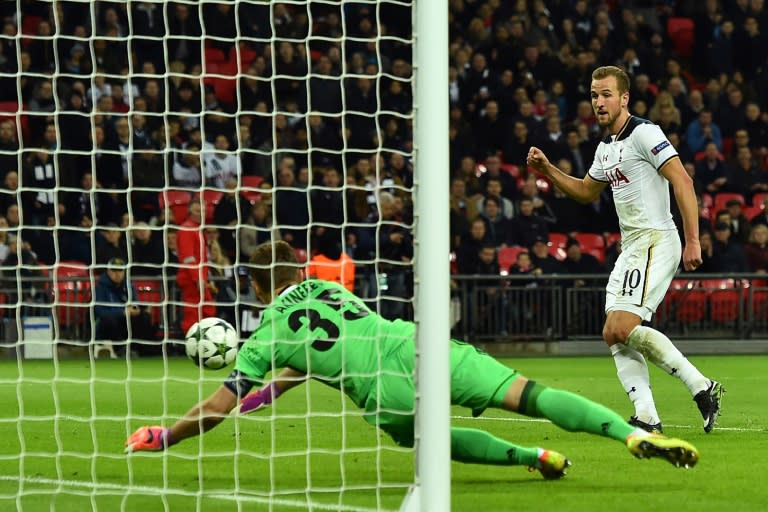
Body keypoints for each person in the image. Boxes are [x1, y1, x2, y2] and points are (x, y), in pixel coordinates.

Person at [126, 240, 700, 477]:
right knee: (528, 395)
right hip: (412, 345)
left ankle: (533, 456)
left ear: (255, 290)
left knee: (428, 438)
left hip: (381, 390)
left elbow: (219, 406)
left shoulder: (263, 335)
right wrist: (276, 387)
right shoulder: (332, 287)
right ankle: (627, 434)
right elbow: (322, 345)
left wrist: (165, 435)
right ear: (298, 270)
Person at [526, 66, 724, 434]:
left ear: (624, 98)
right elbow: (586, 191)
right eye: (593, 95)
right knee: (611, 332)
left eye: (605, 95)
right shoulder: (606, 148)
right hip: (631, 246)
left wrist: (693, 239)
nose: (598, 102)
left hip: (656, 239)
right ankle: (647, 415)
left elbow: (682, 179)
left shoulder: (644, 133)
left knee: (622, 325)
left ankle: (701, 386)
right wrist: (548, 169)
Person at [94, 257, 155, 356]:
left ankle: (138, 349)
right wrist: (122, 312)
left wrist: (139, 310)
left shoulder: (129, 285)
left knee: (144, 317)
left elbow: (135, 303)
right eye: (114, 270)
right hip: (107, 325)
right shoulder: (100, 287)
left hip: (125, 320)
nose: (117, 274)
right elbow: (100, 312)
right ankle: (119, 349)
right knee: (110, 320)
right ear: (108, 271)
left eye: (120, 270)